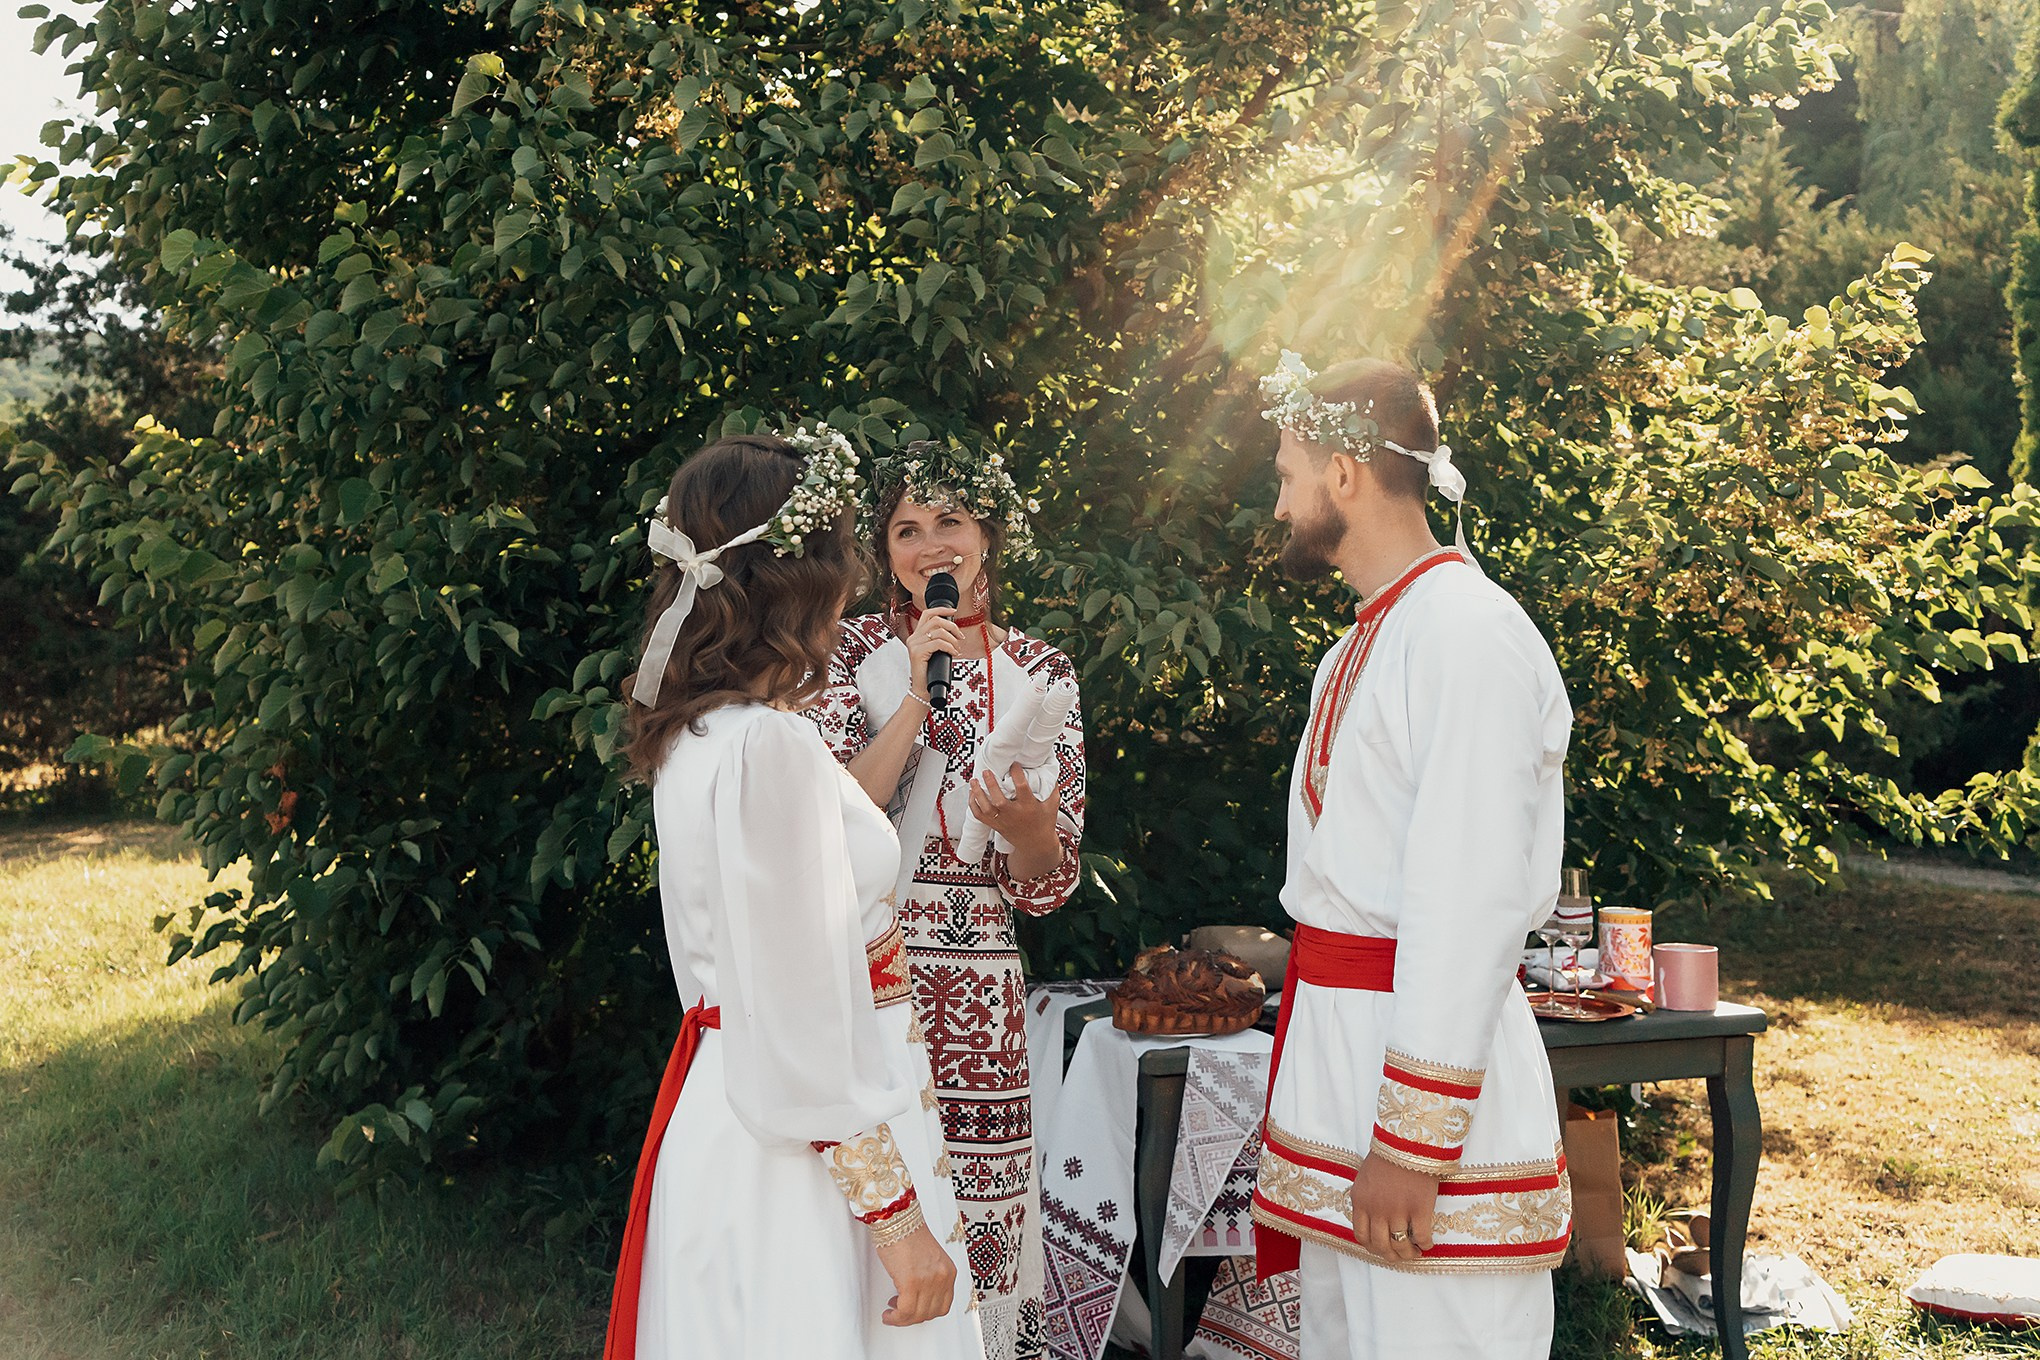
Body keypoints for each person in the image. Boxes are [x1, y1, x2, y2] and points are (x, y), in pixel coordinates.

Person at [605, 427, 984, 1360]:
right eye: (843, 554)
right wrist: (896, 1221)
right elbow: (801, 1007)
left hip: (745, 1113)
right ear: (805, 581)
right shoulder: (764, 749)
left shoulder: (702, 734)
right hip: (804, 1162)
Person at [1245, 354, 1574, 1358]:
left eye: (1288, 474)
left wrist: (1412, 1143)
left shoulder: (1466, 635)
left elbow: (1470, 900)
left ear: (1345, 473)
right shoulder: (1358, 646)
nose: (1280, 503)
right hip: (1342, 1068)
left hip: (1423, 1094)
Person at [806, 439, 1085, 1360]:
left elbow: (1048, 885)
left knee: (982, 1203)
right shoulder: (845, 650)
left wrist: (1028, 831)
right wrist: (917, 703)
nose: (931, 545)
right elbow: (827, 818)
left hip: (981, 995)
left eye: (950, 521)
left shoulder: (1043, 671)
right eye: (907, 528)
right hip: (869, 967)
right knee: (881, 1203)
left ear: (987, 536)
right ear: (884, 551)